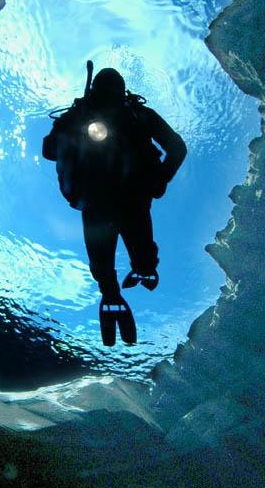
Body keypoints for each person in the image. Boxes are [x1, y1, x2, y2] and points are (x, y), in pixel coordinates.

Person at [42, 64, 186, 346]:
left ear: (123, 94)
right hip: (106, 199)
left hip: (115, 199)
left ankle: (125, 281)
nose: (108, 100)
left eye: (112, 93)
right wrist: (73, 120)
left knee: (126, 258)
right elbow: (49, 149)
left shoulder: (138, 114)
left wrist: (159, 180)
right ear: (94, 93)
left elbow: (177, 147)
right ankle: (115, 290)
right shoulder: (83, 116)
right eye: (103, 93)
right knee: (112, 262)